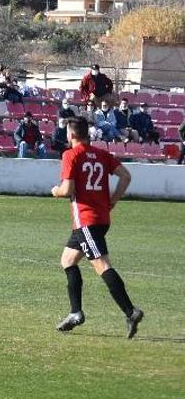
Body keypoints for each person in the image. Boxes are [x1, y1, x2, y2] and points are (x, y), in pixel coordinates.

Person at [51, 116, 143, 338]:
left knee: (102, 264)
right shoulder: (102, 155)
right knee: (67, 260)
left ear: (71, 134)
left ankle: (131, 311)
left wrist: (55, 191)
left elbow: (67, 189)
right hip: (98, 219)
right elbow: (125, 176)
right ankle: (75, 313)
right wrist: (113, 200)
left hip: (87, 222)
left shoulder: (71, 155)